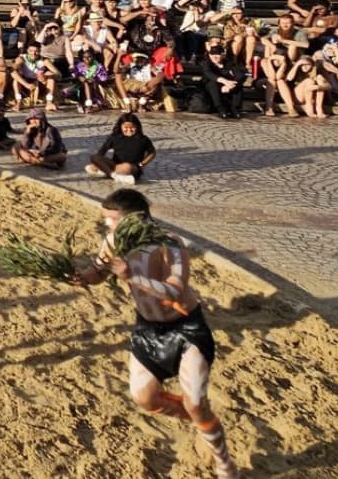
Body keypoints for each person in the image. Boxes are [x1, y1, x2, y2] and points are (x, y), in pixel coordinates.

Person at [72, 190, 239, 478]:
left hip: (186, 330)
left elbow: (175, 288)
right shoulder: (114, 243)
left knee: (197, 401)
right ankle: (202, 422)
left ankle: (224, 463)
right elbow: (99, 272)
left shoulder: (170, 244)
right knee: (145, 399)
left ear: (133, 219)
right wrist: (81, 277)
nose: (108, 227)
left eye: (112, 220)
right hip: (148, 330)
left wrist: (131, 276)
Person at [86, 112, 157, 184]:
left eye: (132, 127)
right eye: (126, 127)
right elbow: (102, 151)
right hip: (115, 165)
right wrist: (97, 163)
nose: (129, 130)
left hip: (132, 167)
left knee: (127, 166)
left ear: (137, 127)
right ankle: (113, 175)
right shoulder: (115, 137)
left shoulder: (143, 139)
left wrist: (142, 164)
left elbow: (152, 152)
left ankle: (107, 172)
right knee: (93, 158)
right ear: (120, 126)